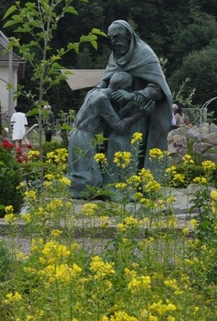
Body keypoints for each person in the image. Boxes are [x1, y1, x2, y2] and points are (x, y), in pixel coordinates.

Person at [96, 20, 172, 177]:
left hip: (139, 112)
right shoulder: (115, 56)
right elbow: (106, 77)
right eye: (111, 38)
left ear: (129, 35)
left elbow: (158, 88)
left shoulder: (145, 54)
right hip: (117, 111)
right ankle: (113, 186)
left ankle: (132, 187)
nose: (114, 42)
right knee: (113, 146)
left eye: (117, 37)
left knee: (132, 148)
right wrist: (97, 91)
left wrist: (133, 95)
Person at [68, 71, 155, 199]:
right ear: (119, 88)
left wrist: (130, 106)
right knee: (90, 181)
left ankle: (57, 186)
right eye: (128, 87)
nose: (130, 90)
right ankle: (53, 186)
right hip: (83, 138)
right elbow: (119, 127)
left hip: (78, 135)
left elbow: (109, 118)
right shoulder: (102, 99)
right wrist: (141, 114)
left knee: (83, 176)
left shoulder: (94, 92)